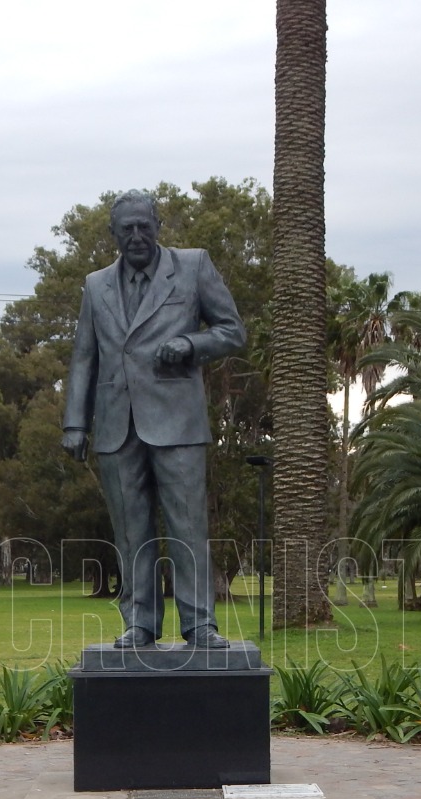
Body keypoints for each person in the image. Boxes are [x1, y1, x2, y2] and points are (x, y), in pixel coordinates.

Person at [61, 190, 246, 650]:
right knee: (130, 529)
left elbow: (232, 330)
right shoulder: (96, 283)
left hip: (177, 421)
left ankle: (199, 624)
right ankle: (139, 623)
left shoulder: (192, 265)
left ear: (159, 225)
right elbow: (84, 357)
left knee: (187, 525)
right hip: (116, 424)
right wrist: (74, 424)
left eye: (145, 226)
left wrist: (190, 344)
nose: (137, 236)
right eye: (127, 229)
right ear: (114, 234)